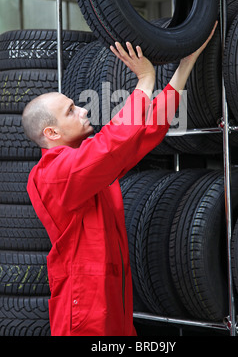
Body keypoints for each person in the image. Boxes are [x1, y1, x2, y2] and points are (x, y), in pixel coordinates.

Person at [22, 27, 216, 337]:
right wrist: (144, 80)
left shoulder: (88, 168)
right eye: (72, 110)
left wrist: (185, 67)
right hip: (84, 310)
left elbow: (144, 132)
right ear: (52, 133)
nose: (84, 110)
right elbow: (112, 143)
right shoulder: (53, 175)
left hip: (112, 305)